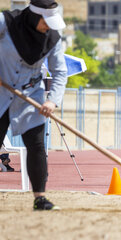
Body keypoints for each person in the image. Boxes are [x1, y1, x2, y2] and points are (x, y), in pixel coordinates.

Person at [0, 0, 67, 210]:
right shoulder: (5, 22)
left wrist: (52, 100)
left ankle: (40, 198)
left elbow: (60, 72)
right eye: (45, 21)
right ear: (33, 16)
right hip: (1, 92)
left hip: (30, 95)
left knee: (36, 145)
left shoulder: (53, 37)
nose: (48, 26)